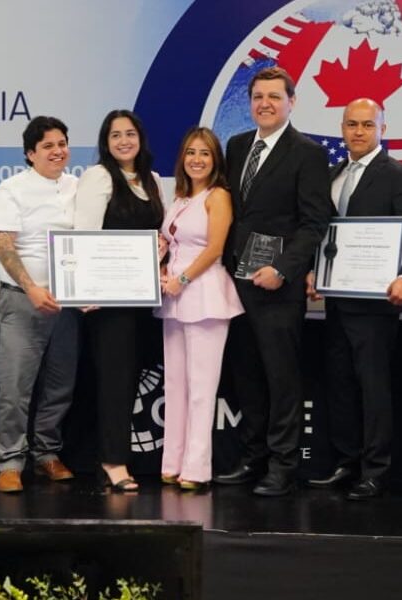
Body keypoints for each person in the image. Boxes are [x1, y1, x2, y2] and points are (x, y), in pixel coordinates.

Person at [213, 66, 332, 497]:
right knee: (246, 373)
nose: (265, 104)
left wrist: (282, 268)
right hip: (236, 283)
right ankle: (253, 456)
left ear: (291, 102)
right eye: (258, 97)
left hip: (278, 286)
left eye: (274, 97)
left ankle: (284, 464)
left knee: (281, 378)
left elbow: (314, 223)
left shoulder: (308, 153)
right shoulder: (237, 145)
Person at [303, 99, 402, 500]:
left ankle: (376, 470)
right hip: (336, 299)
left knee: (373, 386)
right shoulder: (332, 174)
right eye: (352, 124)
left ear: (382, 128)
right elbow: (322, 233)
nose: (358, 131)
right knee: (339, 383)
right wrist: (314, 270)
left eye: (367, 125)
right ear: (342, 128)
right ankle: (346, 462)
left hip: (376, 303)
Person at [74, 110, 168, 493]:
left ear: (141, 139)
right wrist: (85, 291)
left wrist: (162, 249)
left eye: (130, 134)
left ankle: (122, 456)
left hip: (145, 298)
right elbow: (84, 235)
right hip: (109, 300)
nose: (124, 141)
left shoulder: (153, 180)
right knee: (115, 380)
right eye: (116, 135)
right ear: (106, 142)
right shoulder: (98, 177)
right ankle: (112, 461)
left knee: (132, 379)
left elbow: (161, 234)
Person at [0, 116, 82, 493]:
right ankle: (10, 460)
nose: (58, 151)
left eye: (62, 143)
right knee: (14, 388)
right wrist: (31, 288)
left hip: (68, 305)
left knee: (60, 385)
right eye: (48, 146)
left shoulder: (78, 187)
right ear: (30, 153)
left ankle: (47, 454)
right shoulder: (11, 189)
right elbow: (3, 244)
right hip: (21, 301)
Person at [157, 127, 242, 492]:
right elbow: (171, 243)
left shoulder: (218, 196)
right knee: (175, 384)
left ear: (215, 160)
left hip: (205, 294)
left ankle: (197, 468)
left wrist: (182, 278)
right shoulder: (179, 197)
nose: (197, 159)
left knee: (201, 388)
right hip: (173, 298)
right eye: (191, 152)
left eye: (204, 153)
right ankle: (172, 463)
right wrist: (162, 267)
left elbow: (214, 249)